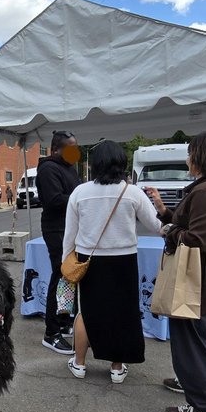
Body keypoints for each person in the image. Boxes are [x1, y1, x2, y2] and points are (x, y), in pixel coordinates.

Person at [146, 130, 206, 412]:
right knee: (194, 337)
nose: (189, 158)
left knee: (193, 340)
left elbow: (196, 238)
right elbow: (191, 222)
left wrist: (168, 231)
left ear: (204, 157)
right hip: (202, 279)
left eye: (192, 152)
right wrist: (163, 212)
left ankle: (203, 406)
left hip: (198, 281)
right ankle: (193, 383)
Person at [63, 140, 162, 382]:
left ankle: (79, 363)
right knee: (122, 312)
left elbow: (70, 233)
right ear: (121, 163)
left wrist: (65, 261)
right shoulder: (132, 193)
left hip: (89, 260)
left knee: (86, 312)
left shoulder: (80, 192)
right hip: (123, 260)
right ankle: (117, 367)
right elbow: (157, 226)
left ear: (96, 164)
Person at [36, 130, 81, 354]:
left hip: (71, 229)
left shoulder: (69, 168)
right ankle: (51, 332)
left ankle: (63, 322)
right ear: (56, 149)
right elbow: (54, 201)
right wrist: (81, 197)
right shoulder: (48, 169)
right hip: (56, 229)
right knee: (60, 276)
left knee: (68, 277)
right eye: (70, 148)